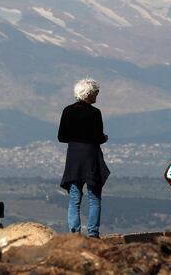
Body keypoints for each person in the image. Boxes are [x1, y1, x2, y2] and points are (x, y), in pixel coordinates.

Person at [58, 78, 110, 237]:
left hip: (73, 156)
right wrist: (103, 138)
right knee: (94, 197)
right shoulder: (95, 113)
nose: (97, 96)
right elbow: (98, 137)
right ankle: (93, 233)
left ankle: (75, 233)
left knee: (75, 197)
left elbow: (61, 136)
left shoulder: (67, 110)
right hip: (90, 156)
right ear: (88, 94)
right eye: (96, 93)